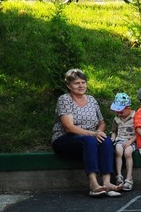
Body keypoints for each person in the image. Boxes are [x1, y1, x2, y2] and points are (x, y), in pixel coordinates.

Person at [51, 69, 120, 197]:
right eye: (77, 83)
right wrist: (92, 134)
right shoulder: (64, 99)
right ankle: (93, 184)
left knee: (106, 140)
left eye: (83, 82)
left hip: (90, 139)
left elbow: (101, 122)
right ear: (68, 85)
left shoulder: (91, 100)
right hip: (65, 140)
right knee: (90, 140)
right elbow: (69, 127)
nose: (81, 86)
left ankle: (107, 182)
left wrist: (99, 131)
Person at [110, 92, 137, 191]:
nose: (118, 114)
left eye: (121, 112)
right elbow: (114, 131)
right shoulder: (117, 118)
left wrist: (130, 141)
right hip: (120, 139)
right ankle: (119, 176)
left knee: (128, 152)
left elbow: (139, 132)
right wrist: (113, 137)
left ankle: (129, 178)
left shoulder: (136, 116)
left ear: (128, 108)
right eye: (117, 112)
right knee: (118, 151)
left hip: (132, 140)